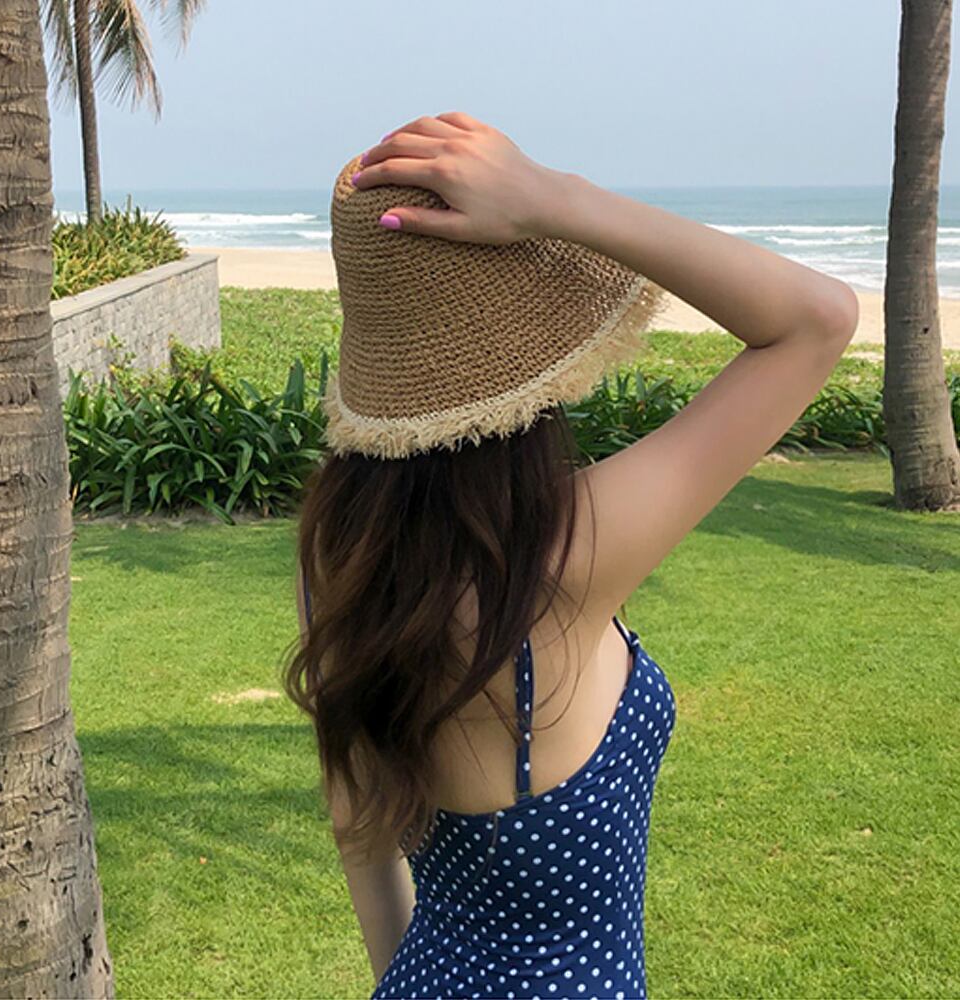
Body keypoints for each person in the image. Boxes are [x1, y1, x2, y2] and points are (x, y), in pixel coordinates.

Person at [285, 111, 858, 1000]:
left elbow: (357, 825)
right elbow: (817, 320)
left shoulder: (338, 551)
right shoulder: (563, 556)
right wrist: (556, 199)